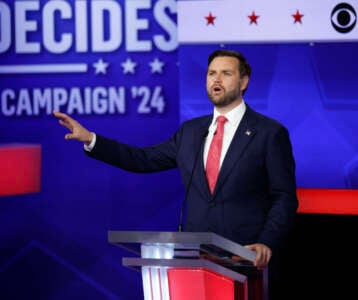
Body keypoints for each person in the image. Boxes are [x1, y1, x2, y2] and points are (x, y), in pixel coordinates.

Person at [53, 49, 298, 299]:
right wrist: (92, 140)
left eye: (226, 73)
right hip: (197, 261)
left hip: (245, 261)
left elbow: (284, 197)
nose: (216, 79)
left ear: (244, 82)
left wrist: (266, 242)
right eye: (212, 73)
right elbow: (142, 159)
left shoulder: (269, 133)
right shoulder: (191, 132)